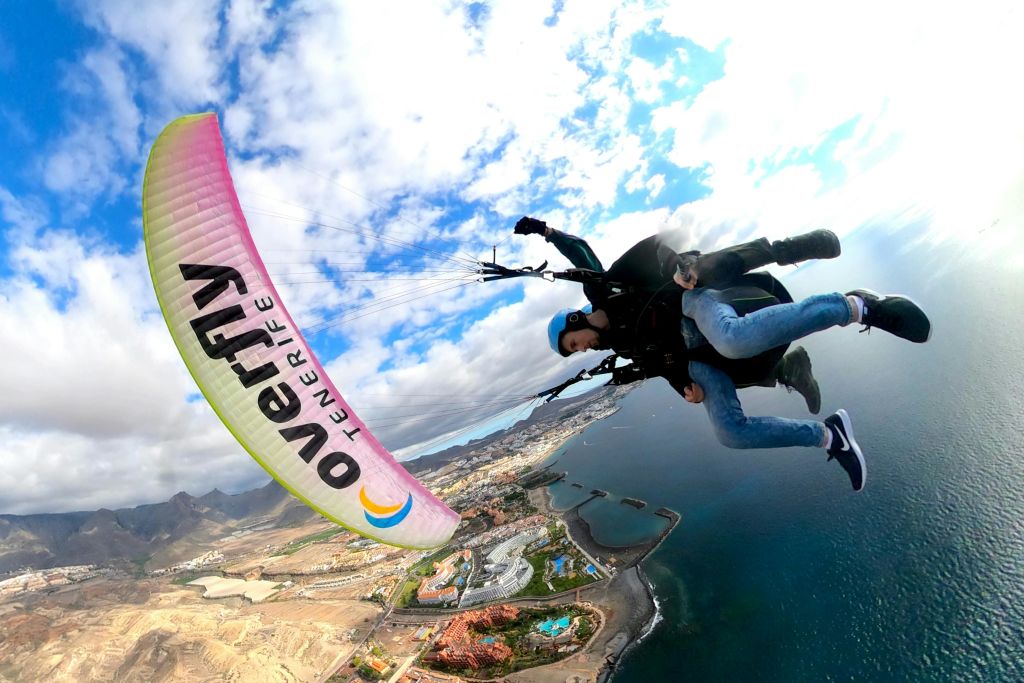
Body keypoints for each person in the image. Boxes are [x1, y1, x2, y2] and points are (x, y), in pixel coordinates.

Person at [515, 216, 932, 492]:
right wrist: (683, 387)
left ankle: (857, 306)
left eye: (574, 343)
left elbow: (583, 253)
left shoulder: (603, 289)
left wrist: (547, 232)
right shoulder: (621, 348)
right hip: (695, 357)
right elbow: (659, 366)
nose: (582, 349)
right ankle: (829, 435)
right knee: (730, 433)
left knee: (733, 339)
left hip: (690, 305)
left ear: (574, 321)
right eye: (576, 353)